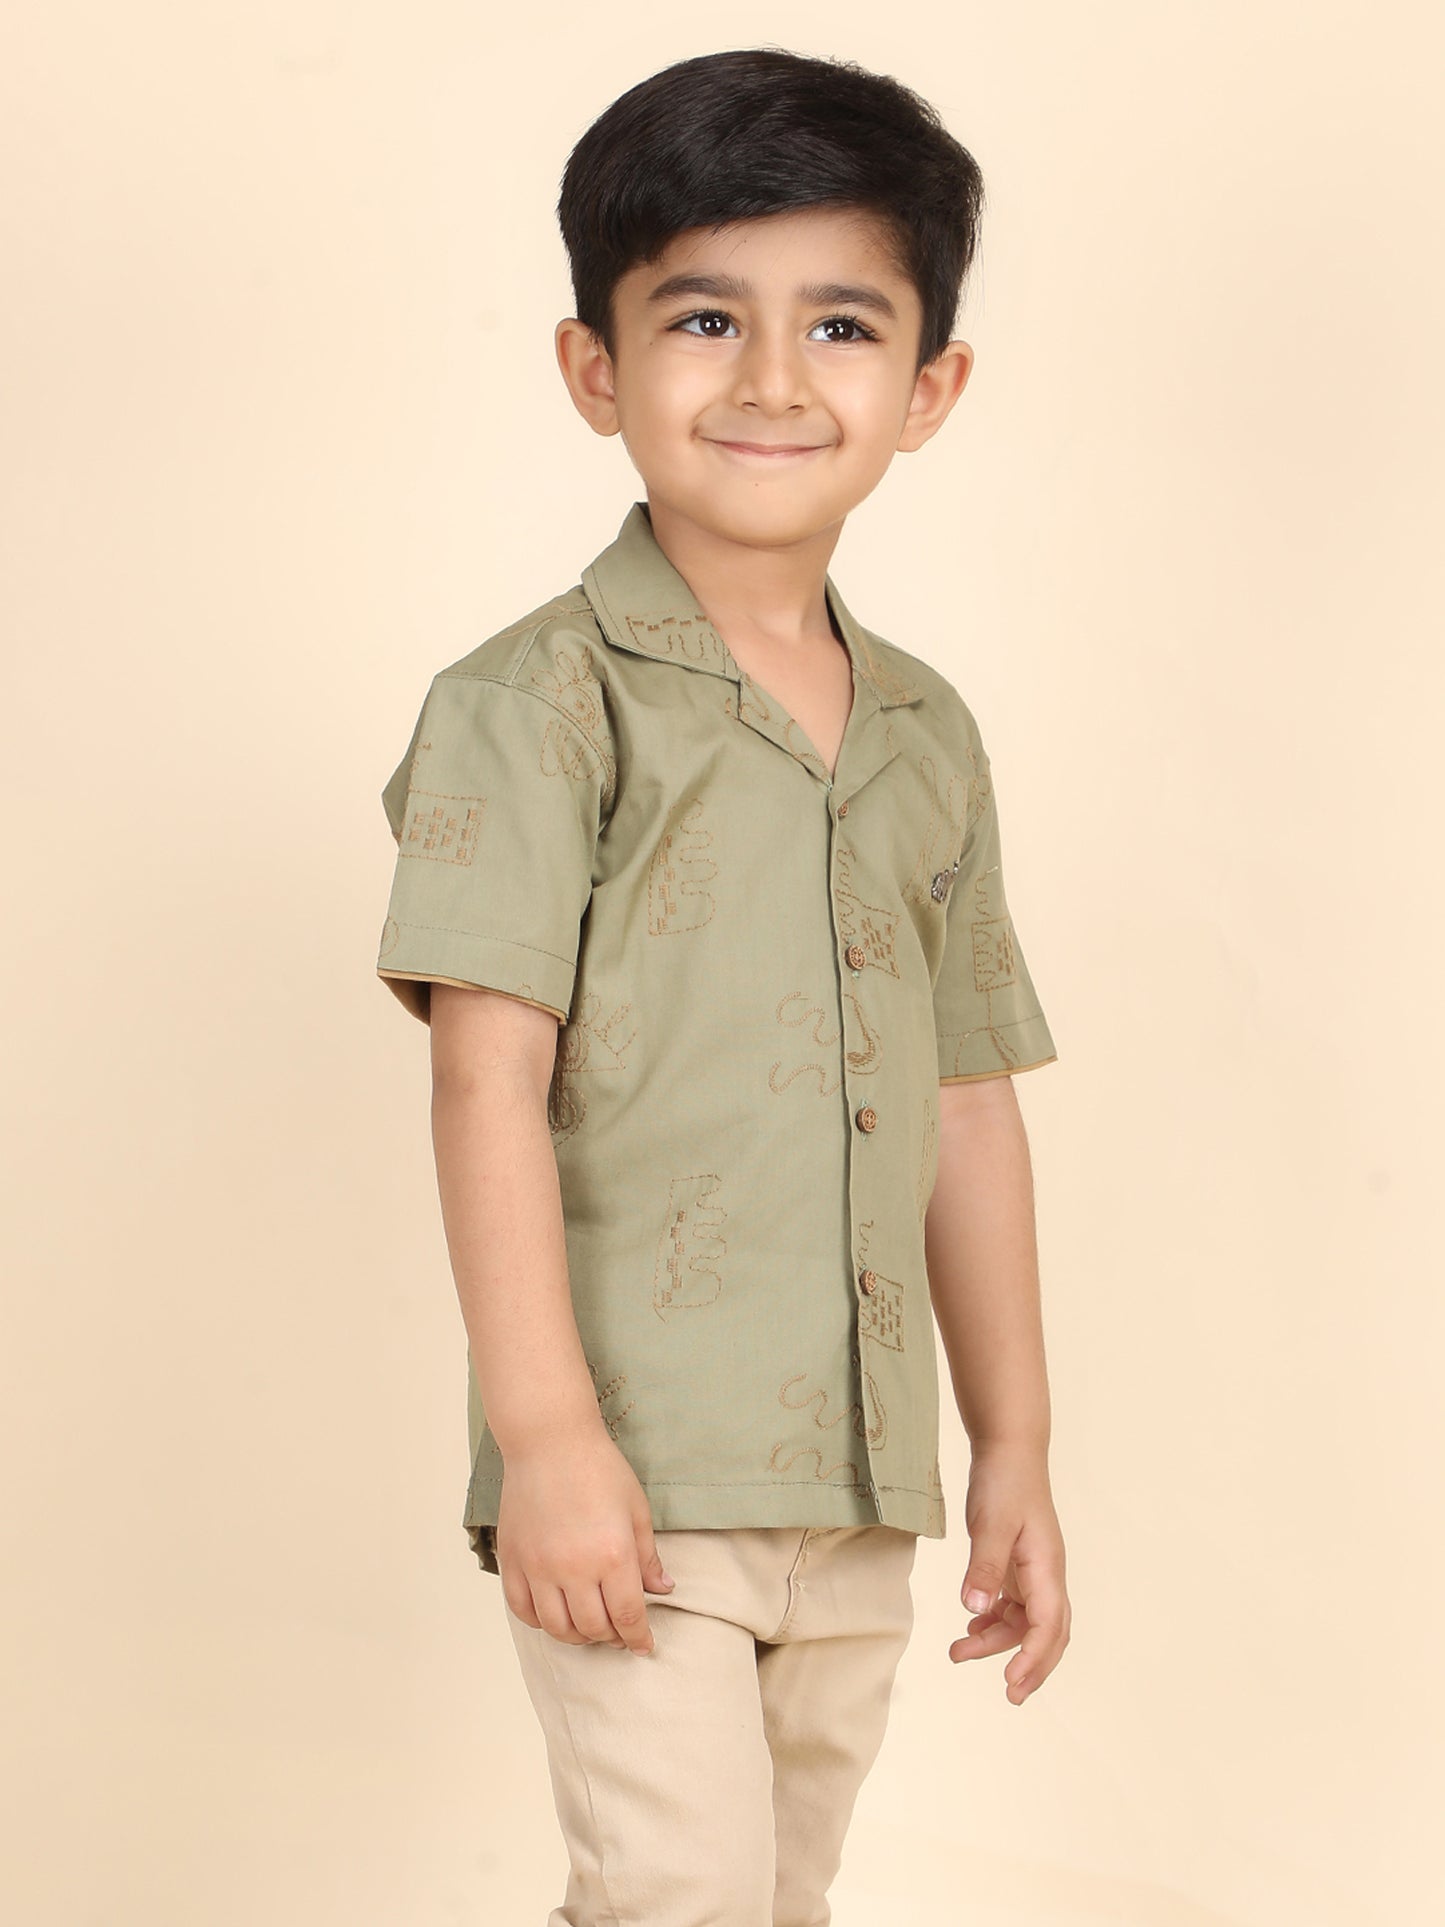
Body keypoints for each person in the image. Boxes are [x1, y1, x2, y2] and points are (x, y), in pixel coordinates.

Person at [374, 45, 1072, 1927]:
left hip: (858, 1474)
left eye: (840, 324)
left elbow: (966, 1102)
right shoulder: (534, 706)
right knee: (673, 1893)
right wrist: (547, 1442)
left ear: (927, 389)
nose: (771, 380)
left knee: (774, 1898)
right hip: (634, 1468)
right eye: (703, 319)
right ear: (595, 367)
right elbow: (483, 1080)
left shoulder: (927, 733)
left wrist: (1011, 1445)